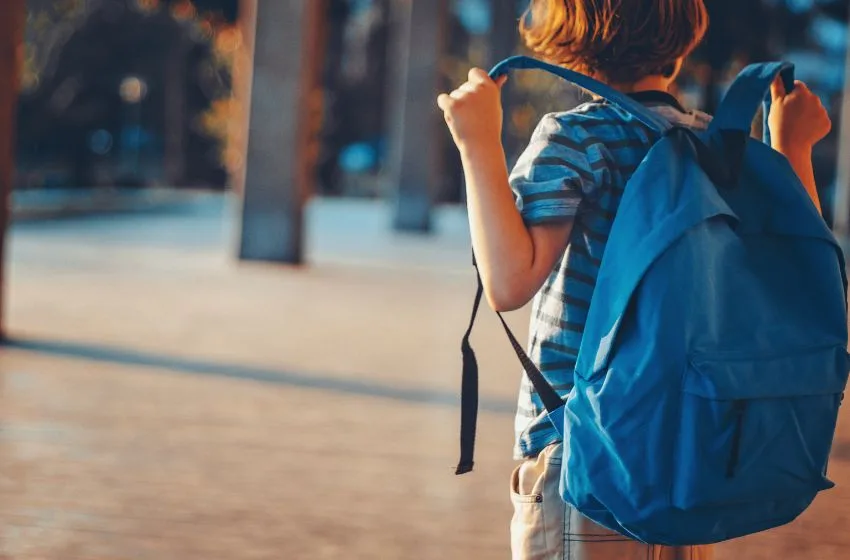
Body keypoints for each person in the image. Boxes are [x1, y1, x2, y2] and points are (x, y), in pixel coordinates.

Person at [436, 1, 832, 559]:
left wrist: (476, 143)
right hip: (692, 451)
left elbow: (509, 282)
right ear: (682, 40)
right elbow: (793, 276)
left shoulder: (576, 138)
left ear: (566, 38)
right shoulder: (715, 147)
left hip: (588, 454)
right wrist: (792, 148)